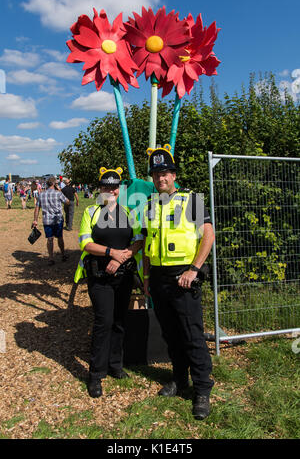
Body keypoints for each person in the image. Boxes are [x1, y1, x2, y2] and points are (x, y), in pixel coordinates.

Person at [142, 144, 215, 421]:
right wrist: (147, 278)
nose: (160, 178)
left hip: (184, 279)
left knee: (192, 335)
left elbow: (208, 236)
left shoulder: (192, 200)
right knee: (171, 334)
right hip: (159, 279)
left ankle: (203, 389)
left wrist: (194, 269)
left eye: (165, 173)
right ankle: (179, 379)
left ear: (174, 175)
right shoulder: (150, 205)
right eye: (156, 174)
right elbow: (149, 244)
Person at [74, 167, 143, 398]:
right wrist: (111, 253)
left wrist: (123, 256)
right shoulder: (91, 212)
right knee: (104, 322)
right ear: (100, 189)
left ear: (120, 189)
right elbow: (85, 243)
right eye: (106, 187)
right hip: (100, 277)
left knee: (120, 321)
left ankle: (115, 365)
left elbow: (139, 240)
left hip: (123, 276)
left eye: (114, 187)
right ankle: (95, 374)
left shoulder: (128, 213)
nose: (110, 190)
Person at [32, 176, 70, 265]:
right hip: (57, 219)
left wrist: (35, 220)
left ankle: (51, 258)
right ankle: (63, 254)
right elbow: (67, 202)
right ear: (54, 184)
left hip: (47, 220)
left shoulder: (41, 194)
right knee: (60, 237)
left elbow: (37, 208)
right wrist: (59, 190)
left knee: (49, 239)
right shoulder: (58, 193)